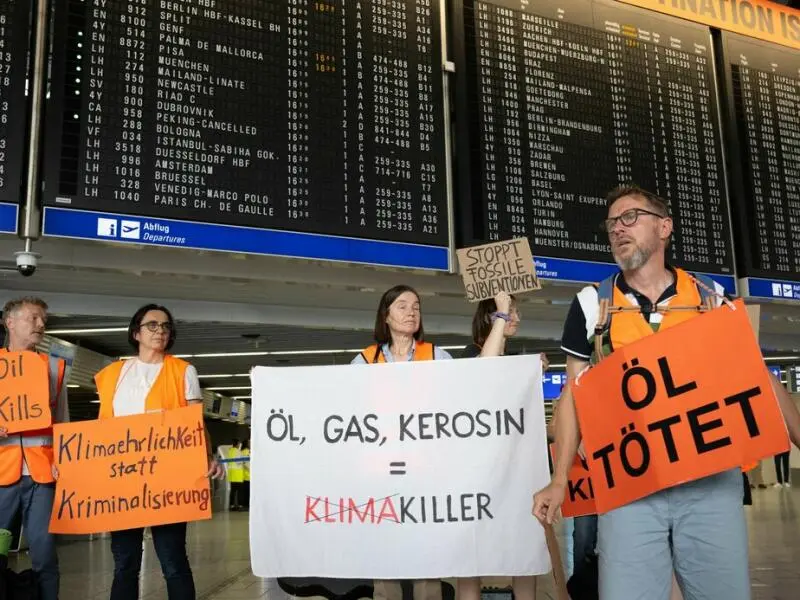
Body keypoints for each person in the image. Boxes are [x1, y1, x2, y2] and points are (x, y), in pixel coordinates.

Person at [532, 185, 800, 600]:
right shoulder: (592, 303)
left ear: (664, 227)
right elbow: (574, 396)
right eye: (611, 224)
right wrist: (559, 478)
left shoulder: (710, 297)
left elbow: (756, 374)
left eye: (630, 218)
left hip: (709, 481)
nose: (618, 229)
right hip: (630, 487)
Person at [93, 303, 224, 600]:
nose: (160, 331)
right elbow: (100, 430)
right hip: (123, 481)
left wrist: (209, 455)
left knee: (173, 560)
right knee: (124, 562)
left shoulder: (183, 371)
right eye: (152, 325)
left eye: (165, 326)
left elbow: (194, 422)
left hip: (168, 482)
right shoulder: (112, 374)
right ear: (136, 332)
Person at [352, 284, 452, 600]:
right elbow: (349, 411)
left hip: (425, 472)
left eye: (416, 307)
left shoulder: (438, 356)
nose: (411, 312)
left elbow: (465, 395)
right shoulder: (363, 362)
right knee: (385, 559)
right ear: (386, 316)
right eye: (402, 306)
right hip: (381, 473)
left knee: (427, 560)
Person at [457, 291, 547, 600]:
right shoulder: (470, 355)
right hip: (478, 473)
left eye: (515, 312)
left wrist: (533, 375)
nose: (516, 318)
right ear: (490, 316)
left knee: (525, 549)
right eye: (511, 312)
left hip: (515, 471)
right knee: (472, 555)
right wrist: (501, 312)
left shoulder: (514, 362)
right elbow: (485, 372)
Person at [0, 297, 69, 600]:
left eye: (44, 319)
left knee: (44, 552)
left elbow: (63, 423)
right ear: (9, 322)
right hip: (2, 472)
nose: (41, 325)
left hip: (43, 473)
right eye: (33, 318)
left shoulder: (54, 366)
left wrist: (64, 463)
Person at [227, 439, 244, 510]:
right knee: (240, 491)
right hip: (238, 474)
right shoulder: (238, 451)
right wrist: (243, 461)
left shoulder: (230, 451)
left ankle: (231, 505)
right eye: (239, 443)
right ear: (237, 444)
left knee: (233, 491)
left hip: (231, 474)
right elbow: (239, 462)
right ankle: (239, 505)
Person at [241, 439, 251, 510]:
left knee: (246, 492)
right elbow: (245, 464)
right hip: (247, 476)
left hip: (246, 476)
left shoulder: (243, 452)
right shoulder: (246, 452)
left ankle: (246, 505)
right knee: (247, 492)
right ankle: (246, 505)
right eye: (250, 442)